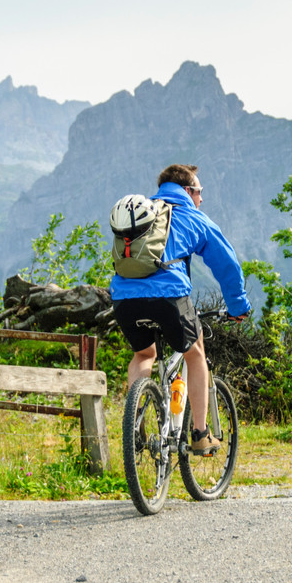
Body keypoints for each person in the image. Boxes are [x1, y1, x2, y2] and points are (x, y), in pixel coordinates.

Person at [111, 163, 251, 455]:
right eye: (200, 192)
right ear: (188, 190)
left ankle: (134, 433)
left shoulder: (143, 213)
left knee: (143, 354)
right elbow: (227, 265)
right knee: (195, 353)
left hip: (123, 297)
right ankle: (200, 433)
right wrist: (239, 306)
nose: (201, 198)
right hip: (170, 296)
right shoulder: (192, 217)